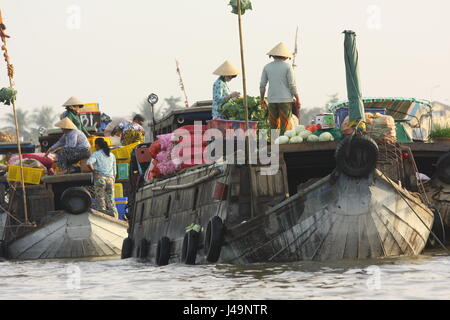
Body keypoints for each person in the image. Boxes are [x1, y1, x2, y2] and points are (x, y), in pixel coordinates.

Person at [260, 42, 301, 135]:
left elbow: (262, 86)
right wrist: (298, 99)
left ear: (273, 55)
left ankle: (275, 147)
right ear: (286, 56)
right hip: (285, 100)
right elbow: (292, 85)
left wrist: (262, 99)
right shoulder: (287, 66)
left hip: (271, 99)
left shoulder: (267, 67)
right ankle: (283, 146)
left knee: (273, 126)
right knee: (285, 126)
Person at [86, 138, 118, 218]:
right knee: (111, 199)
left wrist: (94, 172)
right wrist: (113, 178)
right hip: (110, 179)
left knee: (101, 199)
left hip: (100, 179)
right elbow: (115, 170)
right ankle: (115, 216)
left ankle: (102, 217)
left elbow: (89, 163)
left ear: (97, 145)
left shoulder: (96, 154)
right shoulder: (112, 155)